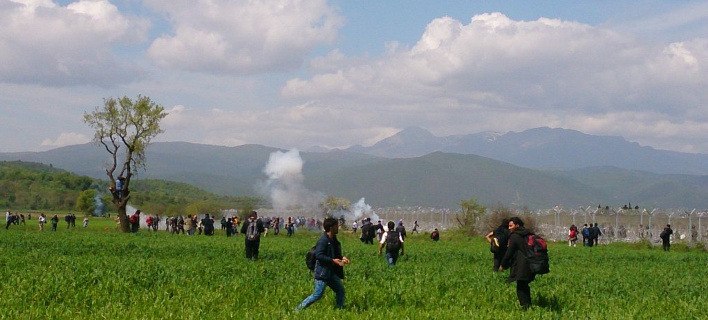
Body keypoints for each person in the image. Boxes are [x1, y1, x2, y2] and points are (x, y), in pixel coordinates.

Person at [296, 217, 350, 311]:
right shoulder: (323, 241)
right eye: (336, 225)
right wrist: (333, 261)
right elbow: (319, 255)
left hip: (330, 273)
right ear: (331, 227)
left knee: (340, 290)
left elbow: (334, 254)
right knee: (317, 295)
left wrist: (342, 258)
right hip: (323, 273)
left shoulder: (333, 239)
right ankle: (298, 309)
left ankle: (339, 309)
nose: (338, 227)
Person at [500, 217, 535, 309]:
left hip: (522, 265)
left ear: (517, 225)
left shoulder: (515, 236)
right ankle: (528, 305)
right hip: (532, 263)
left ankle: (525, 307)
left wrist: (503, 265)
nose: (509, 228)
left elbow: (509, 252)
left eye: (511, 226)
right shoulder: (529, 234)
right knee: (524, 285)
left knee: (520, 287)